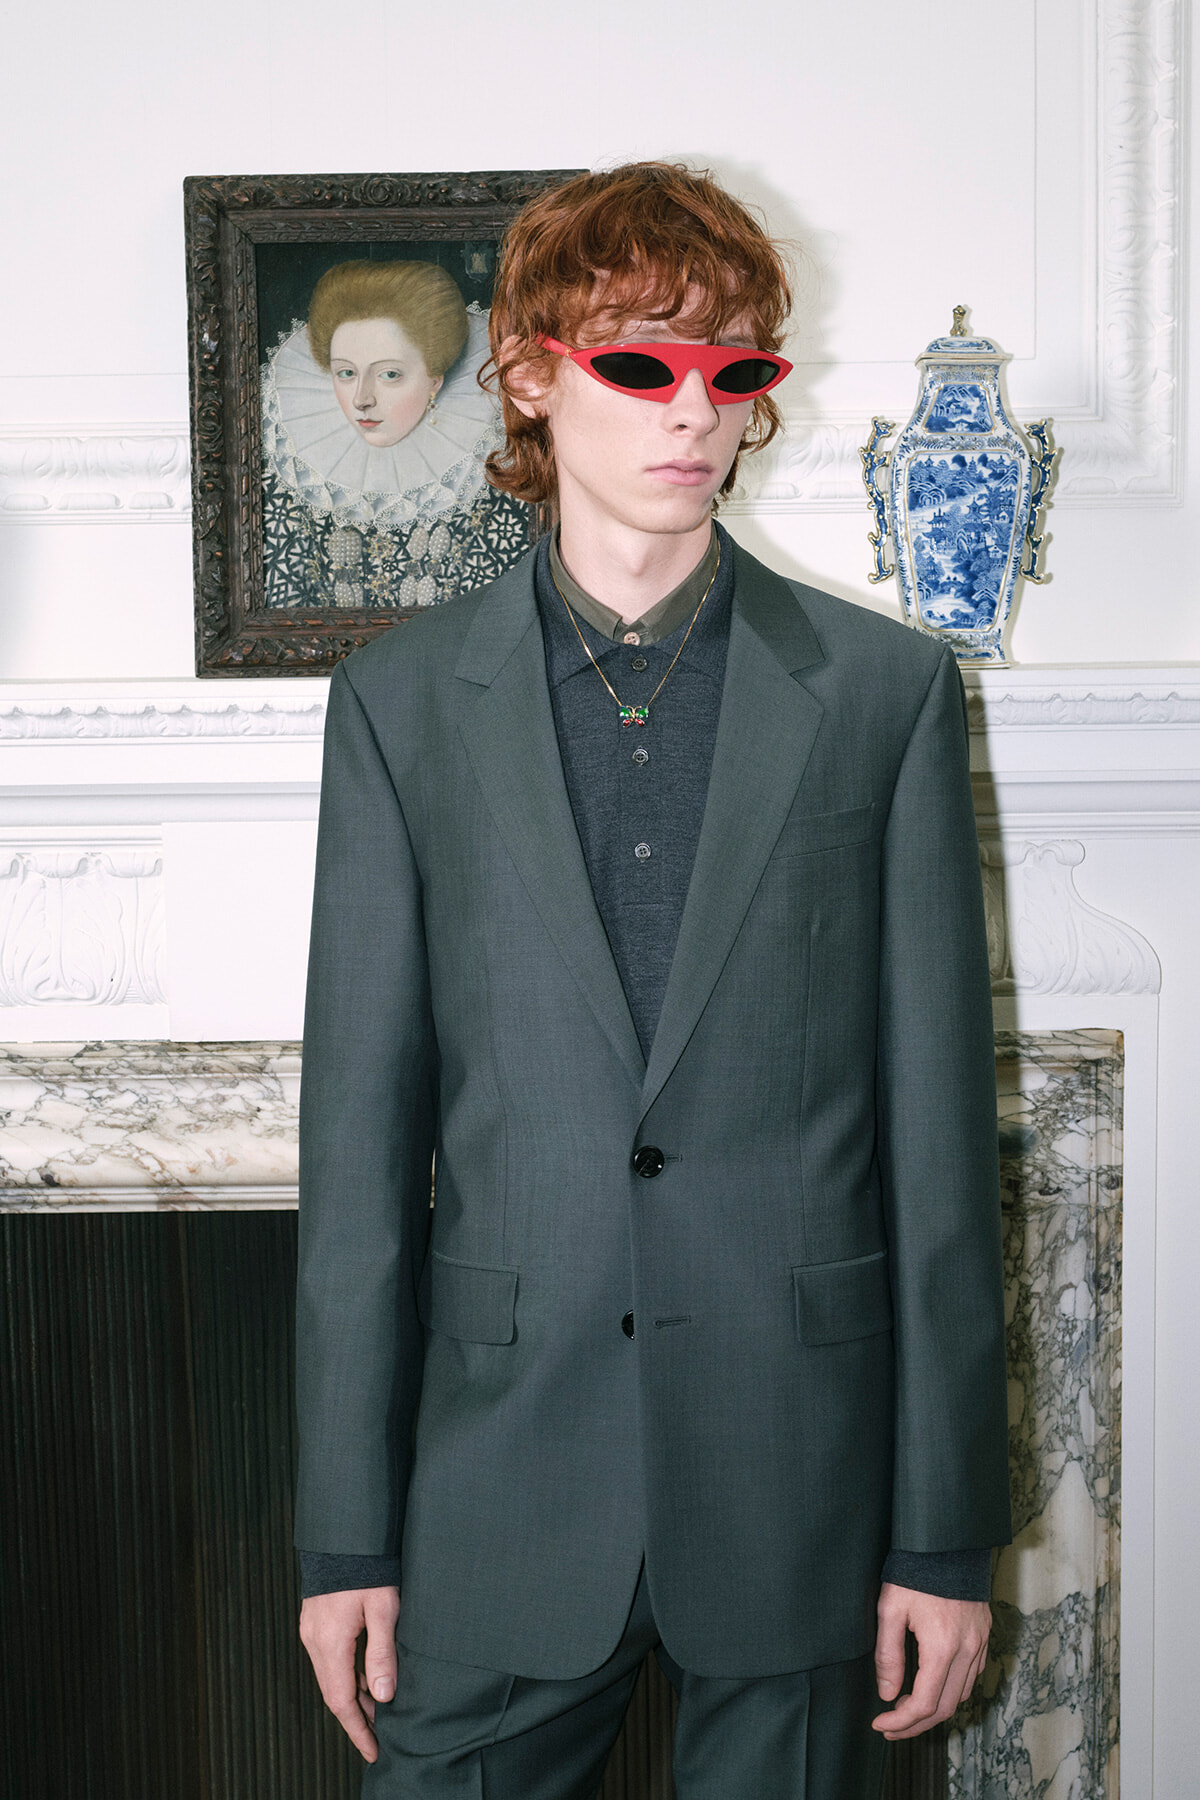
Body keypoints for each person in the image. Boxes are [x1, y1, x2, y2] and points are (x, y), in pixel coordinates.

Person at [294, 162, 1012, 1799]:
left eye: (733, 370)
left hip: (801, 1479)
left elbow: (941, 1159)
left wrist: (946, 1532)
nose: (694, 413)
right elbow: (356, 1163)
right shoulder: (402, 708)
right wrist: (343, 1537)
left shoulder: (883, 697)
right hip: (492, 1484)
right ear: (535, 375)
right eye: (642, 364)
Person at [260, 258, 530, 609]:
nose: (362, 399)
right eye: (345, 373)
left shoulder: (494, 475)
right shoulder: (294, 478)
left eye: (389, 375)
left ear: (434, 380)